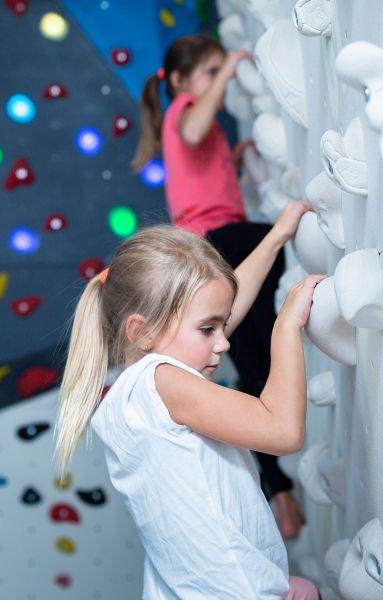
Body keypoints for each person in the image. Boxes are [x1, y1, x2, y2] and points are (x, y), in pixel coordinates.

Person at [53, 203, 322, 599]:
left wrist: (276, 237)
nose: (224, 341)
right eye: (209, 330)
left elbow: (217, 311)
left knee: (303, 588)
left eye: (221, 325)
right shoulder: (160, 382)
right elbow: (282, 431)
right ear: (142, 332)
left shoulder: (134, 396)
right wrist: (284, 326)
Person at [132, 33, 305, 539]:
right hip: (215, 240)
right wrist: (229, 68)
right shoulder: (182, 112)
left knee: (251, 359)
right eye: (207, 73)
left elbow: (201, 165)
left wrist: (233, 157)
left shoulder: (200, 128)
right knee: (255, 345)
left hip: (215, 242)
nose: (218, 80)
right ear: (183, 83)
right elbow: (191, 130)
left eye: (217, 72)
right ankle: (280, 481)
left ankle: (280, 490)